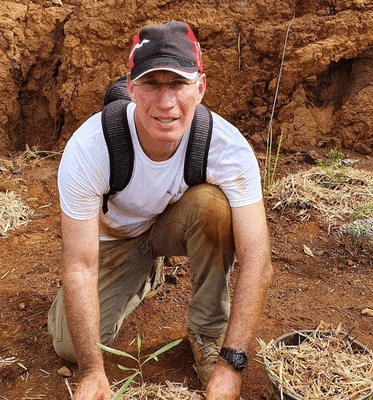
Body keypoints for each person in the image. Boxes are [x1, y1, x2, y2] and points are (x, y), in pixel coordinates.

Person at [48, 21, 272, 400]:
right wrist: (92, 370)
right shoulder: (91, 148)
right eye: (152, 84)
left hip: (169, 225)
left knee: (214, 207)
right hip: (116, 239)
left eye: (179, 84)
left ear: (200, 88)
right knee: (69, 346)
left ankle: (207, 332)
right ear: (132, 88)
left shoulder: (226, 147)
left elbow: (257, 260)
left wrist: (233, 362)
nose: (166, 102)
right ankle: (145, 274)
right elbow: (79, 265)